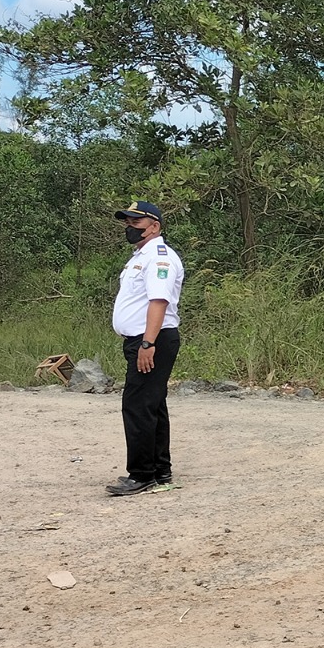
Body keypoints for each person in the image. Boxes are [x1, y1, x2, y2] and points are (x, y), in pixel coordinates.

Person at [107, 200, 185, 496]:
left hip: (153, 338)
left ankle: (140, 474)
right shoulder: (141, 255)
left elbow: (159, 302)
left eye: (136, 223)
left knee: (138, 405)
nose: (130, 227)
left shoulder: (159, 258)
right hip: (144, 339)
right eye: (127, 222)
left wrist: (147, 343)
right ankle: (159, 469)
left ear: (154, 226)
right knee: (152, 404)